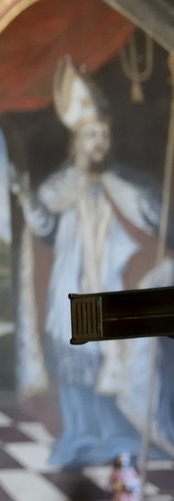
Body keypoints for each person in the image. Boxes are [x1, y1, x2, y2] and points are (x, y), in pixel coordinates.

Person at [12, 59, 174, 467]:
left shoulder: (123, 187)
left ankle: (120, 434)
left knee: (109, 359)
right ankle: (78, 434)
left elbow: (150, 219)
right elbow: (43, 227)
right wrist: (29, 201)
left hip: (110, 288)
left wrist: (155, 210)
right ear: (77, 141)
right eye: (92, 135)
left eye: (104, 135)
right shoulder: (61, 187)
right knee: (73, 361)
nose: (100, 142)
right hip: (69, 287)